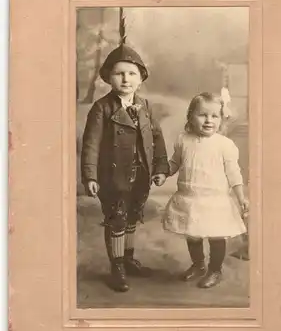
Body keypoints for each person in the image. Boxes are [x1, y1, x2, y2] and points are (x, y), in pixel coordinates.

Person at [81, 44, 168, 292]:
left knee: (132, 216)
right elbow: (91, 145)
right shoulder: (102, 108)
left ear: (141, 79)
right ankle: (116, 265)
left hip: (140, 175)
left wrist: (160, 167)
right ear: (109, 77)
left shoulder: (146, 107)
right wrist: (90, 176)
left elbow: (157, 139)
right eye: (119, 73)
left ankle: (128, 259)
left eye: (131, 73)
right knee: (117, 218)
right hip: (113, 176)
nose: (125, 79)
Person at [163, 92, 249, 288]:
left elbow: (234, 174)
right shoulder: (183, 139)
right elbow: (175, 162)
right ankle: (198, 264)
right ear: (191, 117)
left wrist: (241, 197)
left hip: (214, 200)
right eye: (202, 115)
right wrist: (163, 172)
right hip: (190, 197)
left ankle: (215, 270)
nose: (209, 120)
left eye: (214, 116)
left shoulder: (225, 145)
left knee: (216, 236)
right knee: (192, 234)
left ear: (221, 119)